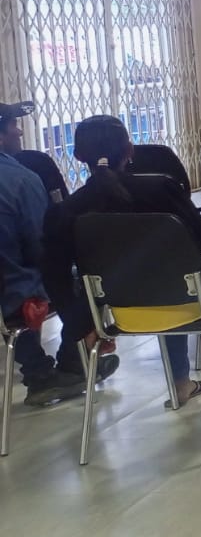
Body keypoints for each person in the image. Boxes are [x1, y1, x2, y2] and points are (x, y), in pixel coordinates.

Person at [41, 116, 201, 408]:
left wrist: (82, 325)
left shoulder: (64, 212)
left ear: (78, 156)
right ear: (130, 150)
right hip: (191, 299)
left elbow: (54, 276)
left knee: (159, 291)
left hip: (123, 313)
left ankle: (181, 385)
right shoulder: (162, 188)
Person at [2, 100, 116, 407]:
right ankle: (69, 366)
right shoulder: (20, 180)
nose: (19, 132)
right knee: (91, 278)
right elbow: (43, 246)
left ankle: (41, 368)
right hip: (17, 291)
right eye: (13, 125)